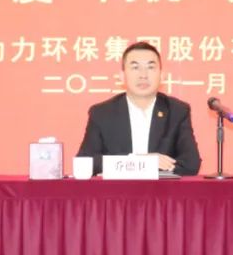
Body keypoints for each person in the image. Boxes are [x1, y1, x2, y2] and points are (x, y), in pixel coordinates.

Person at [77, 41, 201, 176]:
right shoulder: (102, 113)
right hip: (117, 189)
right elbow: (85, 162)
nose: (143, 75)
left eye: (150, 67)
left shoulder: (177, 111)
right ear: (122, 76)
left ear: (162, 75)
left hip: (161, 189)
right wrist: (140, 161)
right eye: (135, 68)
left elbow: (191, 164)